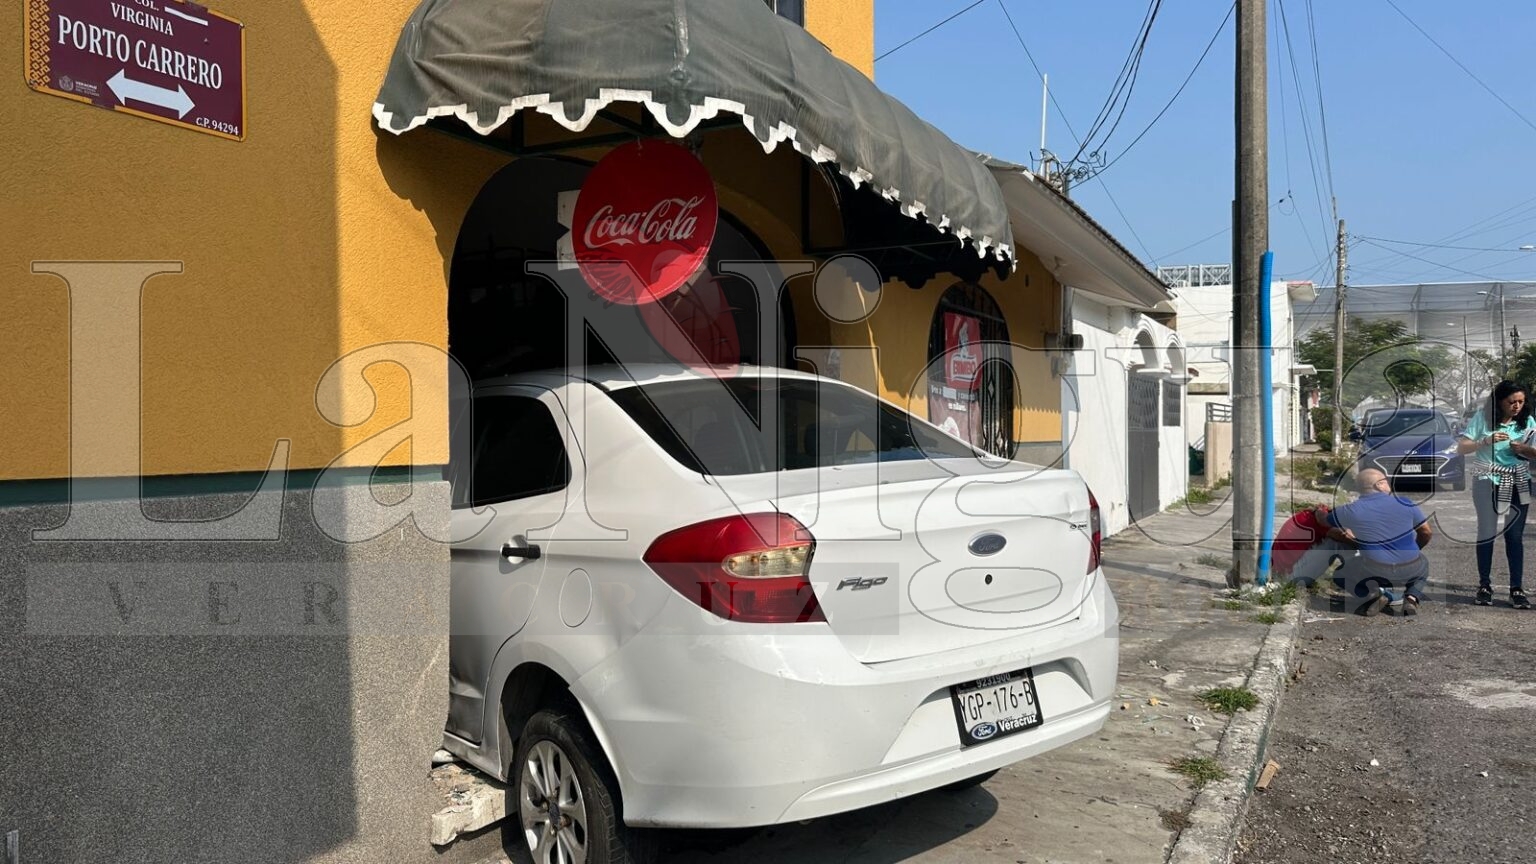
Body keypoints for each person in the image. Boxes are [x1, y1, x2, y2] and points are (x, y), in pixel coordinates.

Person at [1294, 468, 1432, 616]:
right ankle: (1411, 599)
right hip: (1410, 568)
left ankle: (1371, 595)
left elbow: (1323, 521)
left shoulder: (1350, 510)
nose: (1388, 485)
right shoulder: (1405, 503)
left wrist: (1318, 511)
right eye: (1385, 481)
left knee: (1340, 575)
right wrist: (1413, 551)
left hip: (1375, 570)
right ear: (1378, 485)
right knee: (1423, 564)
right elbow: (1426, 532)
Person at [1456, 380, 1536, 609]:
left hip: (1519, 481)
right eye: (1512, 402)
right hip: (1487, 481)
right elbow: (1461, 447)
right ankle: (1484, 586)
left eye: (1521, 401)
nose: (1517, 406)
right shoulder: (1482, 419)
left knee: (1514, 536)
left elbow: (1535, 452)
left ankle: (1516, 589)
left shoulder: (1527, 421)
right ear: (1499, 401)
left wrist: (1524, 450)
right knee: (1487, 533)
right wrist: (1484, 441)